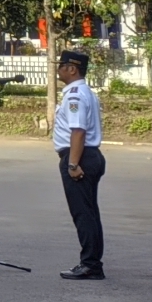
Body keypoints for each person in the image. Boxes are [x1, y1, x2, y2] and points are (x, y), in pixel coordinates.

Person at [50, 49, 105, 282]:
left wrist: (72, 164)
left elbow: (78, 131)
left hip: (79, 158)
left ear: (72, 69)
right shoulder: (84, 92)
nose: (58, 69)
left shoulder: (74, 94)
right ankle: (92, 262)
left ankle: (90, 265)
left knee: (83, 214)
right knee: (89, 213)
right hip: (88, 156)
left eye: (61, 65)